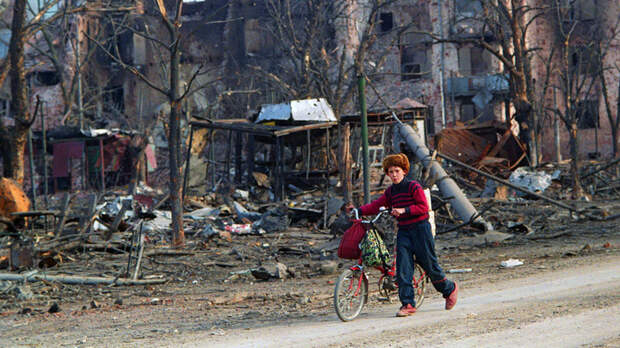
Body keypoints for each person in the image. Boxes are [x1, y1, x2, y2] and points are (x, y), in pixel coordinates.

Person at [346, 153, 458, 317]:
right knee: (403, 268)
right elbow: (377, 205)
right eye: (390, 172)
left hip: (421, 230)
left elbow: (423, 207)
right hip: (404, 231)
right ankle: (407, 304)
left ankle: (449, 289)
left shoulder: (414, 187)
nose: (394, 175)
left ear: (404, 171)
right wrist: (358, 211)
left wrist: (404, 210)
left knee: (430, 266)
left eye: (397, 171)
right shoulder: (391, 192)